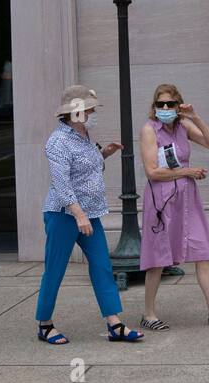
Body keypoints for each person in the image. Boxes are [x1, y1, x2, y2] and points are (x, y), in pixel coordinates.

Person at [35, 84, 143, 344]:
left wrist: (105, 153)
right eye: (89, 109)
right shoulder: (58, 141)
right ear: (74, 113)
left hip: (90, 213)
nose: (93, 112)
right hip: (64, 215)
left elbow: (86, 169)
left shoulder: (84, 135)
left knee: (102, 266)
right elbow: (61, 182)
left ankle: (114, 324)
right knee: (55, 269)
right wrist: (78, 214)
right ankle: (45, 324)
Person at [138, 83, 209, 329]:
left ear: (178, 106)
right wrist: (189, 171)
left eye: (170, 104)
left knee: (202, 251)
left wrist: (194, 116)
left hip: (187, 199)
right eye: (160, 104)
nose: (165, 108)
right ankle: (149, 314)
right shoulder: (149, 130)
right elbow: (152, 171)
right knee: (158, 257)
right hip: (161, 199)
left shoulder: (183, 126)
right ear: (154, 107)